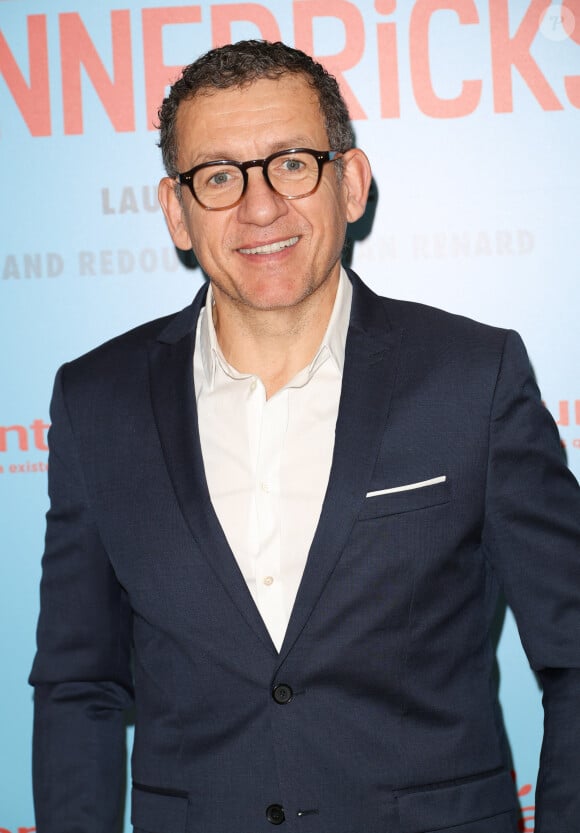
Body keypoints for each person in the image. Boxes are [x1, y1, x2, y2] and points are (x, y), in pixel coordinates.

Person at [30, 39, 580, 833]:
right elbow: (78, 686)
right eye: (218, 175)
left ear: (350, 183)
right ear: (177, 212)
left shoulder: (474, 378)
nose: (259, 208)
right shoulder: (96, 402)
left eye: (292, 163)